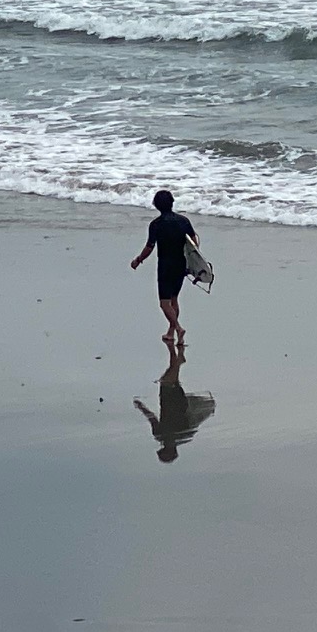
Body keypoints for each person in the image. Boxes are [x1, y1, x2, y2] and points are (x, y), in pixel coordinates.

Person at [130, 188, 197, 343]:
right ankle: (171, 333)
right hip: (181, 264)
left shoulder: (156, 224)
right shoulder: (183, 221)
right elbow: (194, 240)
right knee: (174, 299)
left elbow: (149, 247)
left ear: (156, 205)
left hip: (166, 266)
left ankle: (178, 328)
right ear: (172, 203)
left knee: (164, 303)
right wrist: (193, 257)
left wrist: (138, 260)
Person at [134, 341, 216, 463]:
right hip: (171, 403)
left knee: (169, 381)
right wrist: (140, 407)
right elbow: (152, 418)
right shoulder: (163, 436)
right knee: (167, 381)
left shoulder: (183, 436)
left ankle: (178, 359)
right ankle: (179, 359)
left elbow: (153, 419)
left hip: (177, 404)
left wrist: (141, 407)